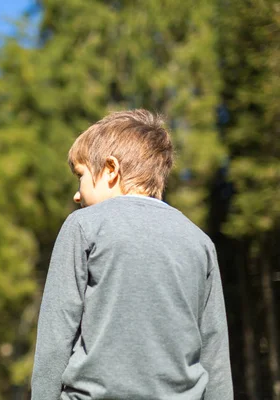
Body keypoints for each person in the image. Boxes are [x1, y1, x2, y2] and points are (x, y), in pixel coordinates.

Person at [31, 110, 233, 400]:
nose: (77, 194)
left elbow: (55, 339)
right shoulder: (199, 242)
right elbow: (215, 354)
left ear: (111, 170)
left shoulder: (82, 226)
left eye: (81, 176)